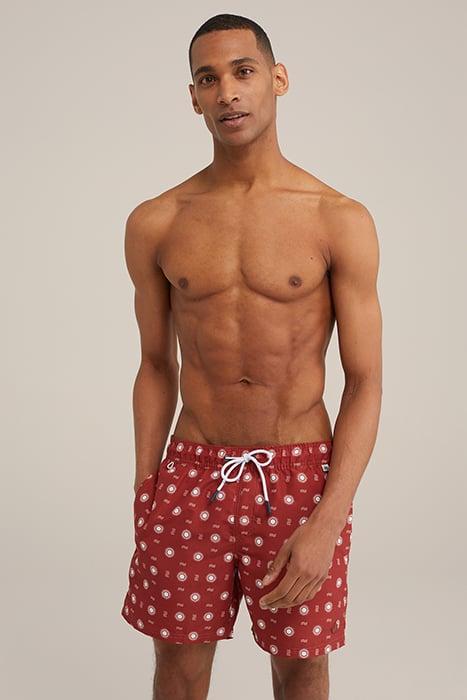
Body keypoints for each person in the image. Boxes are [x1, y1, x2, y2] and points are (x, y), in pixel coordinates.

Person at [120, 12, 382, 700]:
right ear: (193, 97)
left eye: (243, 72)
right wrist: (148, 487)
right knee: (178, 667)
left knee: (301, 668)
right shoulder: (157, 220)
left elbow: (365, 381)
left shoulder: (337, 218)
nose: (227, 92)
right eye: (208, 79)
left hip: (298, 477)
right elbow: (155, 365)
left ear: (277, 79)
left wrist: (329, 517)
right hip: (190, 473)